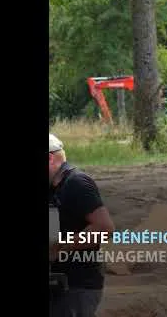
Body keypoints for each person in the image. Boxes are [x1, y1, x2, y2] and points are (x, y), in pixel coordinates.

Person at [49, 133, 115, 317]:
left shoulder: (76, 183)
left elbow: (104, 228)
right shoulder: (54, 187)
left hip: (77, 287)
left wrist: (59, 248)